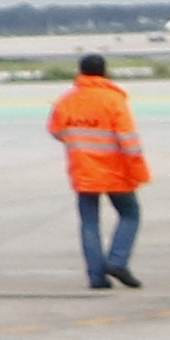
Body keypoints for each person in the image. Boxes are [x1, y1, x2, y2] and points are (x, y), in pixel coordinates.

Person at [48, 53, 149, 292]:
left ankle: (96, 276)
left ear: (80, 72)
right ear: (104, 71)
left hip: (83, 169)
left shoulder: (67, 100)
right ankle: (117, 261)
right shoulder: (114, 100)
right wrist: (139, 170)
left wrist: (78, 144)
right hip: (115, 169)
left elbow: (56, 130)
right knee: (130, 214)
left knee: (89, 222)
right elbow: (129, 140)